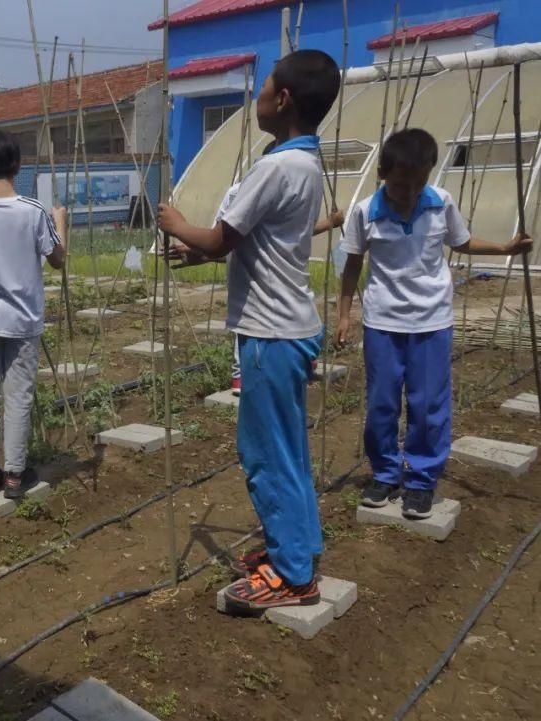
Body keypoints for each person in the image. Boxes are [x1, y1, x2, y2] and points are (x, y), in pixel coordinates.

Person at [158, 49, 341, 614]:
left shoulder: (277, 168)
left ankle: (290, 576)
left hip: (271, 333)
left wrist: (177, 225)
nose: (256, 97)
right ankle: (298, 550)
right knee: (288, 448)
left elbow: (219, 237)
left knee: (265, 452)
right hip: (290, 327)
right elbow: (252, 245)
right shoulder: (304, 162)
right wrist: (200, 253)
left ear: (282, 99)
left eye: (263, 88)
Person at [338, 128, 531, 519]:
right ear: (382, 174)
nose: (408, 192)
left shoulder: (441, 203)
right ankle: (386, 472)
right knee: (381, 403)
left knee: (428, 405)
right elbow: (353, 263)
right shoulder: (364, 212)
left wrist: (503, 248)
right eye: (399, 184)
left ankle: (422, 480)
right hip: (383, 322)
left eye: (417, 183)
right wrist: (344, 315)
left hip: (431, 321)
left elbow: (460, 243)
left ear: (429, 174)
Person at [0, 130, 67, 502]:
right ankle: (15, 477)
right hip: (22, 320)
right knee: (18, 397)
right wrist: (61, 223)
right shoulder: (34, 211)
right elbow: (57, 259)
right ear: (17, 166)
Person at [210, 142, 346, 395]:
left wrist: (329, 222)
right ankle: (242, 375)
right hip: (254, 270)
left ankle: (292, 362)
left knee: (274, 316)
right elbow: (222, 234)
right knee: (252, 318)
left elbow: (298, 230)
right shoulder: (243, 190)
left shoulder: (303, 178)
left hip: (279, 274)